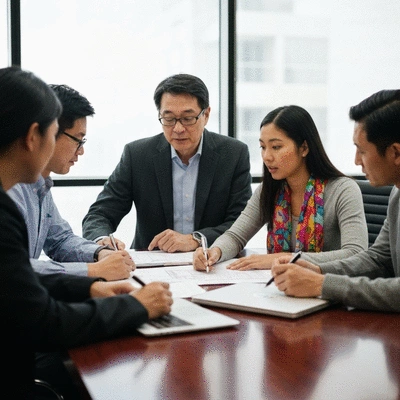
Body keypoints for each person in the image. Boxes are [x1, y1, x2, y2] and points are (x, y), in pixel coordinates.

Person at [0, 66, 172, 399]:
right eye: (57, 135)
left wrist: (89, 284)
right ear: (33, 136)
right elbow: (43, 320)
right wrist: (136, 306)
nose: (78, 151)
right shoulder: (6, 206)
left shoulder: (34, 186)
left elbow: (18, 272)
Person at [82, 73, 252, 252]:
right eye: (169, 119)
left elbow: (241, 223)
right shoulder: (138, 155)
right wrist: (102, 241)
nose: (178, 129)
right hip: (153, 264)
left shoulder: (233, 154)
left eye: (188, 118)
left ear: (206, 115)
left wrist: (196, 240)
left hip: (213, 261)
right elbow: (99, 214)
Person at [194, 105, 368, 272]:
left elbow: (356, 253)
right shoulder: (268, 190)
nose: (267, 157)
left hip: (328, 289)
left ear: (304, 148)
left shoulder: (343, 190)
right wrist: (214, 252)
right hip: (281, 287)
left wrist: (285, 258)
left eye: (276, 147)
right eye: (263, 147)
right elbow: (235, 236)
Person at [270, 90, 400, 312]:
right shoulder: (397, 194)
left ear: (396, 153)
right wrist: (317, 270)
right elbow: (379, 259)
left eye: (362, 151)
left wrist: (322, 284)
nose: (356, 161)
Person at [7, 84, 133, 281]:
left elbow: (59, 240)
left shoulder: (40, 183)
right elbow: (15, 267)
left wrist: (99, 253)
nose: (81, 151)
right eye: (78, 140)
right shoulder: (11, 188)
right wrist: (94, 271)